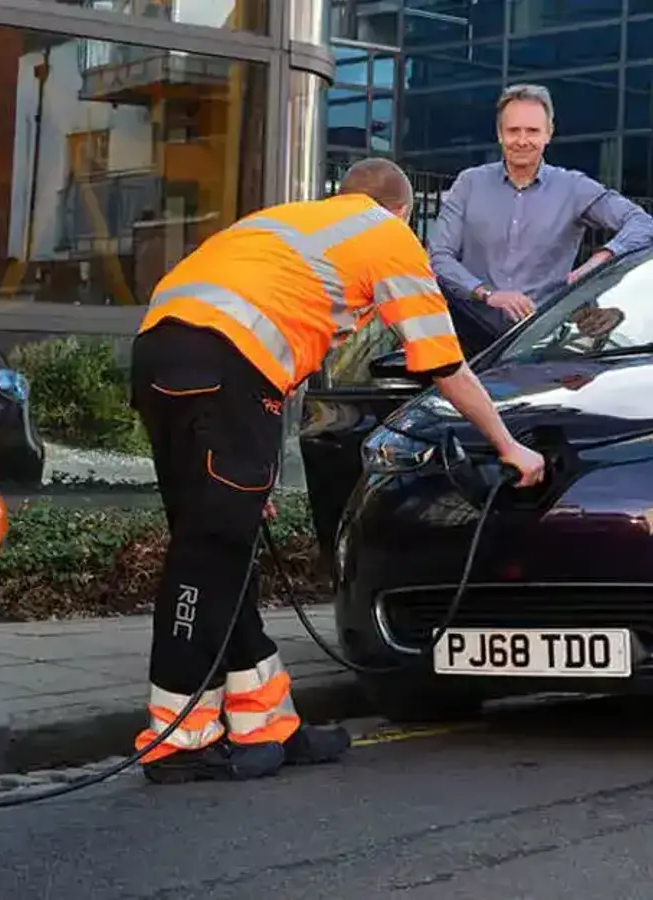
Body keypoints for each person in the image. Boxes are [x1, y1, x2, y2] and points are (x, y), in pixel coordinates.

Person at [128, 157, 546, 785]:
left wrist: (247, 467)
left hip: (160, 359)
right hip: (225, 371)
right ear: (400, 209)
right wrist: (510, 445)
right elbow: (444, 365)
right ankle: (174, 736)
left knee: (222, 535)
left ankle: (264, 721)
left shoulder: (285, 224)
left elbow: (257, 319)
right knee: (210, 549)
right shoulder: (388, 236)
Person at [428, 83, 653, 354]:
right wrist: (487, 293)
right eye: (513, 131)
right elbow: (439, 256)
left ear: (549, 133)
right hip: (467, 336)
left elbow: (642, 223)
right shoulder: (469, 183)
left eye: (532, 131)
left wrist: (598, 261)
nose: (522, 140)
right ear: (500, 134)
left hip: (541, 342)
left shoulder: (574, 187)